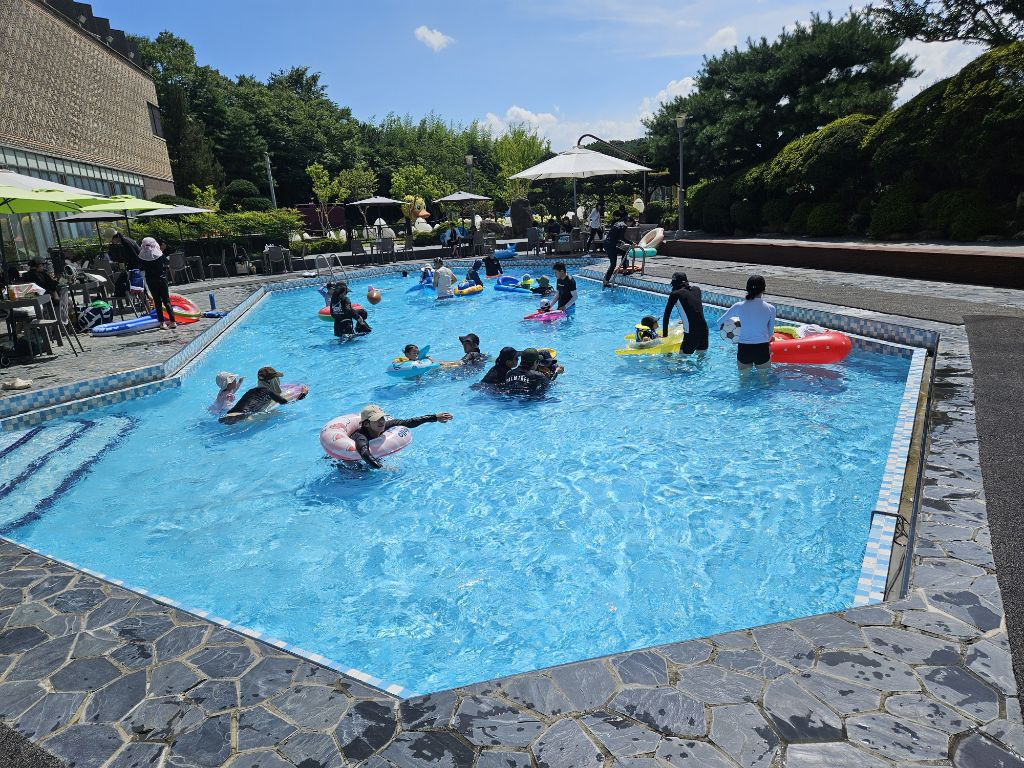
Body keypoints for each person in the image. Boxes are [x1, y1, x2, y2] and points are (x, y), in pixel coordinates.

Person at [353, 404, 453, 469]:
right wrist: (383, 468)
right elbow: (364, 453)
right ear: (366, 424)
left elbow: (409, 422)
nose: (382, 421)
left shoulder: (385, 425)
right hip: (356, 464)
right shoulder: (360, 437)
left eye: (382, 417)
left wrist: (435, 417)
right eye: (376, 419)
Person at [718, 275, 776, 371]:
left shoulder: (738, 306)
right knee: (764, 379)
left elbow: (719, 322)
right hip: (762, 348)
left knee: (743, 379)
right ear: (764, 289)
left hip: (744, 349)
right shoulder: (771, 308)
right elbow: (770, 332)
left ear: (747, 289)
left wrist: (733, 337)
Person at [221, 366, 304, 422]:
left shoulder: (251, 391)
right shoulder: (268, 391)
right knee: (276, 413)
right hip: (242, 415)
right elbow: (286, 402)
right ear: (271, 381)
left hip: (230, 413)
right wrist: (303, 393)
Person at [663, 271, 710, 355]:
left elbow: (666, 316)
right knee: (702, 357)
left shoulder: (675, 294)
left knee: (681, 359)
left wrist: (665, 335)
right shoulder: (697, 289)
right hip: (704, 330)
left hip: (691, 332)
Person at [138, 237, 176, 329]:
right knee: (166, 300)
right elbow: (167, 262)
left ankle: (162, 323)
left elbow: (141, 268)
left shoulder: (142, 257)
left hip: (151, 280)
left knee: (157, 301)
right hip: (161, 279)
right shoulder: (159, 254)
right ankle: (173, 321)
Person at [603, 208, 633, 287]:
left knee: (624, 252)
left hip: (607, 244)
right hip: (610, 246)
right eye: (631, 223)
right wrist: (631, 243)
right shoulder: (624, 226)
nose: (630, 225)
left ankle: (624, 270)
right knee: (613, 264)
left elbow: (615, 236)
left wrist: (620, 242)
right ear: (628, 221)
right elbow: (621, 237)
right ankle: (606, 282)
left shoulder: (618, 223)